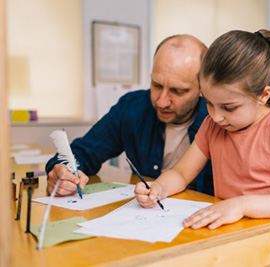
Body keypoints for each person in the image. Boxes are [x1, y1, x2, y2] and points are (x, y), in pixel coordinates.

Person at [135, 29, 270, 266]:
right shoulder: (213, 126)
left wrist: (242, 204)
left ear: (263, 95)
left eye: (229, 107)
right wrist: (159, 188)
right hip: (236, 237)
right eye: (209, 103)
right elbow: (181, 173)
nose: (216, 116)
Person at [46, 34, 214, 197]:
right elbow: (84, 151)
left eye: (178, 91)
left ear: (202, 88)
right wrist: (63, 172)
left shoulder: (218, 120)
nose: (162, 102)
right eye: (156, 85)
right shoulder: (132, 108)